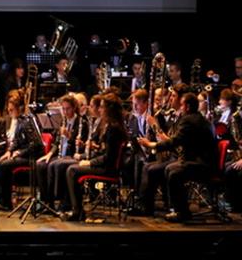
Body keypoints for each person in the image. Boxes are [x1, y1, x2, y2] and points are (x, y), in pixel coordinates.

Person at [138, 92, 217, 222]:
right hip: (201, 161)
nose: (180, 107)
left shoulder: (189, 120)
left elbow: (174, 141)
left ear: (187, 106)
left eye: (181, 104)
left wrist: (152, 145)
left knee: (173, 171)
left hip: (203, 164)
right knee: (169, 168)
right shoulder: (198, 119)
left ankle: (181, 212)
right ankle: (173, 208)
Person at [64, 93, 127, 221]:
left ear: (109, 109)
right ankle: (74, 208)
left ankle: (77, 211)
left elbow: (109, 157)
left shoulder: (114, 128)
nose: (99, 109)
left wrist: (90, 163)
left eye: (102, 107)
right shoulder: (110, 125)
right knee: (73, 168)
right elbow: (104, 152)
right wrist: (88, 158)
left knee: (72, 170)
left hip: (109, 169)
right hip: (105, 165)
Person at [0, 92, 43, 210]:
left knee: (4, 165)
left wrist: (20, 152)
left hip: (31, 155)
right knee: (0, 162)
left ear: (19, 108)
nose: (9, 113)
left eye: (11, 110)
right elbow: (16, 140)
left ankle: (4, 201)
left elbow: (36, 144)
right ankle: (3, 200)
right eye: (8, 110)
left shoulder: (28, 120)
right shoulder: (19, 120)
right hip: (23, 153)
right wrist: (9, 151)